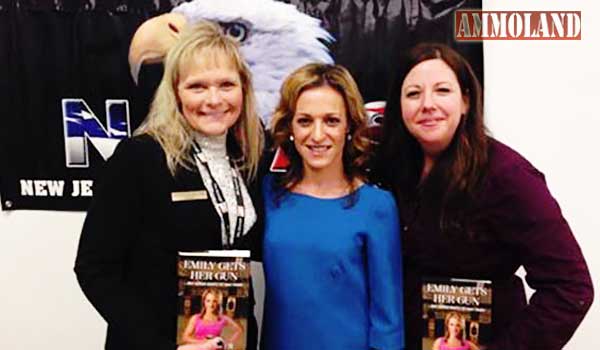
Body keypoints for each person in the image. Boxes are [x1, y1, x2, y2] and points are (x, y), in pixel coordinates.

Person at [373, 43, 594, 350]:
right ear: (398, 106)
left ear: (465, 101)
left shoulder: (508, 176)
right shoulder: (387, 169)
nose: (427, 104)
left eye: (442, 90)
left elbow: (571, 288)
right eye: (413, 93)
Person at [74, 21, 264, 350]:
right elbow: (94, 268)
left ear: (243, 89)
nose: (214, 99)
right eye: (198, 86)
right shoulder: (141, 156)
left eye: (226, 84)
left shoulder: (249, 160)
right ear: (175, 92)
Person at [261, 63, 405, 349]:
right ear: (290, 126)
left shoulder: (376, 206)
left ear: (349, 125)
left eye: (331, 121)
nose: (317, 135)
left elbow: (388, 318)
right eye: (305, 121)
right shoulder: (268, 194)